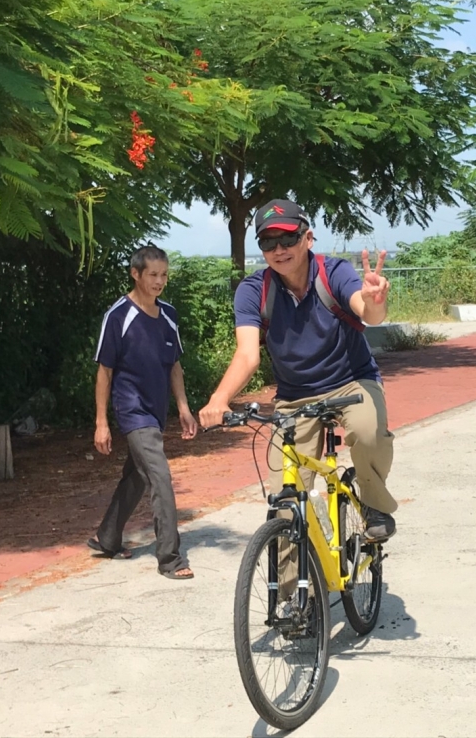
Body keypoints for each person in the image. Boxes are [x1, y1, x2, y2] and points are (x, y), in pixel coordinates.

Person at [198, 198, 397, 543]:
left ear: (308, 238)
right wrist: (219, 398)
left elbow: (366, 312)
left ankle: (373, 503)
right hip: (294, 398)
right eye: (268, 242)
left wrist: (374, 302)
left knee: (369, 432)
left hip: (350, 383)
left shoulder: (333, 273)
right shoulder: (253, 291)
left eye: (288, 239)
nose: (279, 249)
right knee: (285, 505)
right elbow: (247, 355)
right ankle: (294, 595)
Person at [91, 244, 198, 581]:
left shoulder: (168, 315)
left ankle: (107, 539)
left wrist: (182, 407)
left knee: (137, 475)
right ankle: (170, 558)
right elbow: (104, 372)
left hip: (155, 410)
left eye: (164, 275)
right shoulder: (118, 316)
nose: (159, 281)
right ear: (135, 274)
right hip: (131, 409)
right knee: (159, 476)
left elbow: (174, 366)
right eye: (153, 274)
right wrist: (101, 422)